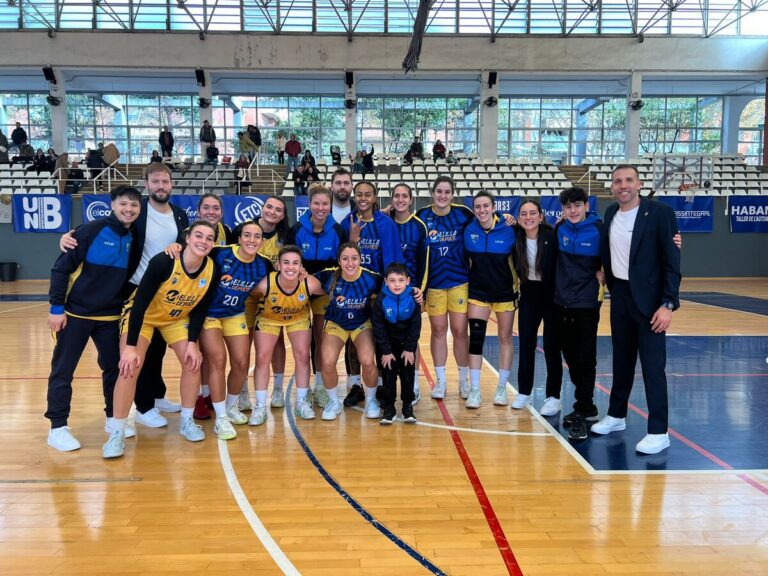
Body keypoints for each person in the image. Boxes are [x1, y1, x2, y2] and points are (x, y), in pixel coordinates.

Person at [60, 163, 190, 427]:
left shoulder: (179, 215)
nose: (160, 186)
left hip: (164, 292)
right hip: (134, 288)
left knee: (158, 349)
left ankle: (157, 395)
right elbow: (105, 227)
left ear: (172, 184)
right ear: (147, 184)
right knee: (140, 349)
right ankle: (143, 407)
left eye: (165, 181)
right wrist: (69, 236)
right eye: (155, 181)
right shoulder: (137, 211)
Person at [102, 221, 217, 459]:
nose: (203, 241)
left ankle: (187, 421)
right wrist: (130, 347)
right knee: (129, 367)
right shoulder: (164, 262)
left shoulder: (211, 269)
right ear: (187, 238)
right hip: (143, 316)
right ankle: (117, 432)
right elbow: (139, 305)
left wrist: (192, 343)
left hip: (175, 319)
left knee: (193, 362)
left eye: (209, 238)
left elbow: (200, 309)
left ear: (213, 243)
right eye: (199, 235)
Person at [590, 165, 681, 455]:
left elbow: (672, 262)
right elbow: (610, 250)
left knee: (653, 368)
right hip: (621, 297)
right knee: (622, 362)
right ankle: (616, 415)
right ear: (612, 186)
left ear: (639, 184)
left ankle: (658, 432)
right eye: (618, 181)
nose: (623, 185)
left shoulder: (660, 213)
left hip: (651, 303)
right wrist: (603, 272)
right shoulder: (610, 213)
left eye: (629, 180)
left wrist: (668, 304)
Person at [45, 186, 142, 452]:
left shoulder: (133, 235)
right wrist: (56, 308)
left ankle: (112, 418)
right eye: (123, 204)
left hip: (110, 315)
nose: (129, 209)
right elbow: (60, 268)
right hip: (75, 314)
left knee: (113, 369)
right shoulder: (90, 230)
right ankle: (57, 428)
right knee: (63, 370)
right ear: (112, 205)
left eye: (134, 205)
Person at [197, 221, 272, 439]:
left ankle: (230, 406)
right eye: (247, 235)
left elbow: (280, 280)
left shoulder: (264, 264)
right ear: (239, 238)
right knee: (218, 360)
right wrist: (175, 247)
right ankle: (220, 418)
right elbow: (192, 255)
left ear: (262, 241)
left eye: (256, 236)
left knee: (241, 363)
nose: (251, 240)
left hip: (235, 314)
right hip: (209, 314)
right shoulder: (219, 254)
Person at [340, 180, 404, 407]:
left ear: (375, 198)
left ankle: (380, 385)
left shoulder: (386, 224)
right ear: (354, 197)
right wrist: (353, 239)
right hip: (352, 293)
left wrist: (389, 293)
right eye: (359, 194)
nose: (363, 198)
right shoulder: (347, 222)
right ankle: (355, 385)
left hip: (378, 294)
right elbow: (341, 259)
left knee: (379, 340)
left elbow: (393, 261)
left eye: (368, 194)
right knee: (352, 340)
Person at [249, 246, 325, 425]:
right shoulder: (265, 284)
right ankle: (260, 406)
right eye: (286, 263)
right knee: (262, 358)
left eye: (295, 263)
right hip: (269, 318)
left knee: (303, 356)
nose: (291, 267)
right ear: (278, 265)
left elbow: (328, 292)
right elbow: (251, 297)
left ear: (301, 266)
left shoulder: (310, 283)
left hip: (298, 318)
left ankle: (301, 402)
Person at [415, 176, 473, 400]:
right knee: (438, 331)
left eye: (447, 192)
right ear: (432, 193)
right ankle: (440, 382)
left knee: (459, 331)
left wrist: (504, 217)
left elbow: (485, 219)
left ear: (452, 194)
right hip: (434, 285)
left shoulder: (463, 214)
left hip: (459, 282)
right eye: (439, 191)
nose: (442, 196)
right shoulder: (422, 216)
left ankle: (463, 380)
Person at [552, 187, 604, 441]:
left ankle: (583, 408)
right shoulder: (559, 229)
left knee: (585, 357)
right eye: (568, 206)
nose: (572, 210)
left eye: (577, 205)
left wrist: (606, 274)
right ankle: (587, 405)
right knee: (570, 355)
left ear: (586, 206)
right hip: (562, 302)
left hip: (586, 303)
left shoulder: (599, 230)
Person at [290, 186, 346, 405]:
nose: (321, 208)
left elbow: (342, 263)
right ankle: (304, 388)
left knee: (321, 336)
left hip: (325, 290)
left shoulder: (337, 231)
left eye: (325, 204)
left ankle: (321, 385)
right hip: (301, 289)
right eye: (316, 203)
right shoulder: (297, 229)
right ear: (309, 204)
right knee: (303, 341)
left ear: (330, 205)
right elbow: (289, 259)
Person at [463, 191, 518, 409]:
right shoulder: (468, 229)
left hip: (505, 293)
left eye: (486, 206)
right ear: (473, 209)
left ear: (494, 207)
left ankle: (502, 388)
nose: (482, 210)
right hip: (478, 293)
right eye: (478, 206)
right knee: (476, 340)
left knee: (505, 338)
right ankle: (475, 390)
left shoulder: (510, 228)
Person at [316, 243, 383, 421]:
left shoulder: (372, 278)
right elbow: (304, 282)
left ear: (360, 259)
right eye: (345, 259)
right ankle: (333, 402)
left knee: (367, 360)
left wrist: (414, 291)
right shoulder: (329, 275)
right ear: (339, 261)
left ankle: (371, 400)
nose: (350, 263)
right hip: (336, 323)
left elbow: (394, 286)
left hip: (361, 323)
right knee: (327, 361)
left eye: (354, 258)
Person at [511, 200, 563, 416]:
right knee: (526, 345)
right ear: (518, 218)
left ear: (541, 216)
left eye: (533, 213)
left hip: (552, 295)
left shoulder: (552, 236)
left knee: (552, 347)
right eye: (523, 213)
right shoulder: (515, 236)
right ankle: (524, 391)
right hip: (529, 295)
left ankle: (554, 397)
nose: (528, 217)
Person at [389, 182, 429, 404]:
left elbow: (425, 262)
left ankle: (413, 385)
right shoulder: (385, 222)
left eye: (405, 196)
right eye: (397, 196)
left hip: (410, 293)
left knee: (411, 340)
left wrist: (420, 291)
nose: (401, 200)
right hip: (387, 292)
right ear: (392, 199)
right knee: (386, 339)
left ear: (411, 199)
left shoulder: (419, 226)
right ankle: (386, 385)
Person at [371, 263, 422, 424]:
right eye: (392, 280)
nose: (397, 284)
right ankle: (389, 409)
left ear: (408, 281)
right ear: (386, 281)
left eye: (401, 280)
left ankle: (407, 407)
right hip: (387, 347)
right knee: (388, 377)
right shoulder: (381, 300)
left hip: (406, 347)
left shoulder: (414, 298)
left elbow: (415, 326)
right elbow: (378, 327)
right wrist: (386, 351)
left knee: (408, 376)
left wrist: (409, 349)